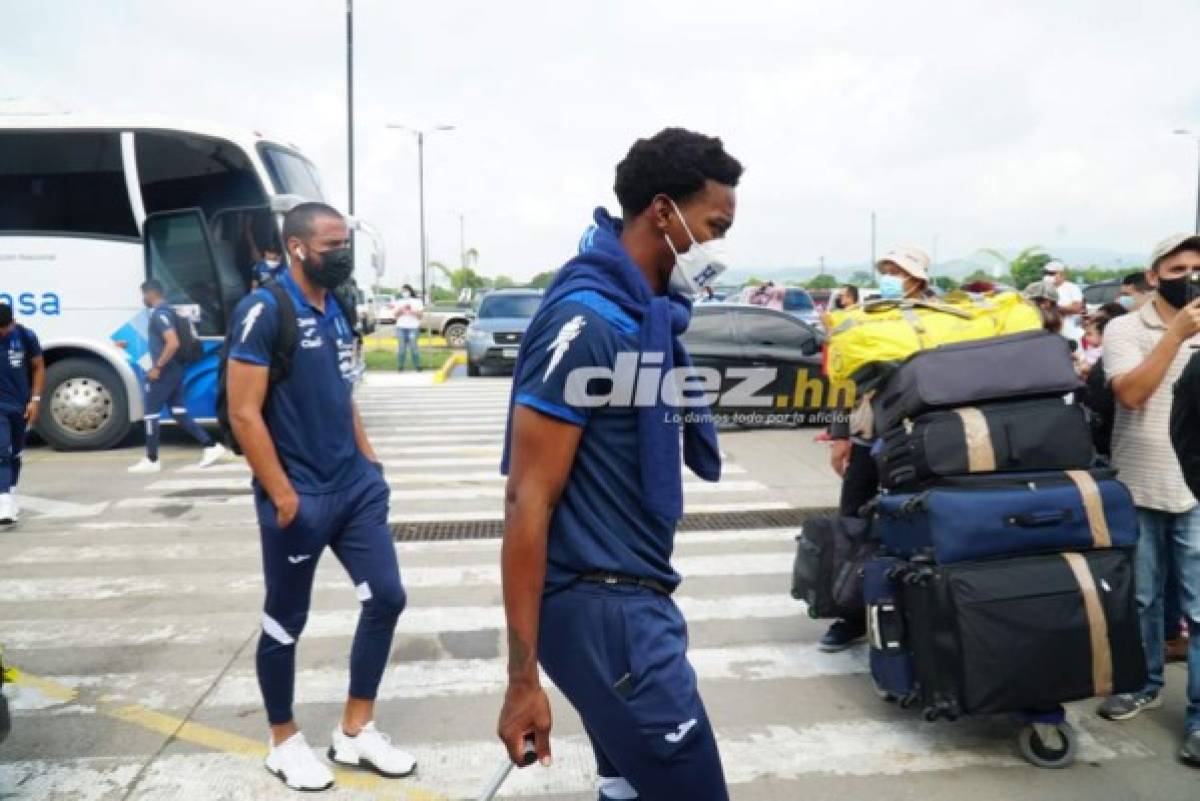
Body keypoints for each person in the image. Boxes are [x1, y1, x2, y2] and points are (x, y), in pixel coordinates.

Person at [496, 128, 739, 800]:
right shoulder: (589, 321)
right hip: (609, 615)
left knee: (627, 787)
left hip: (629, 600)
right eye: (714, 226)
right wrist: (521, 679)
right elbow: (526, 500)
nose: (717, 248)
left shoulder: (645, 318)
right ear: (663, 212)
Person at [226, 202, 415, 791]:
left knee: (387, 597)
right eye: (332, 245)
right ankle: (283, 740)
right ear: (299, 248)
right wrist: (283, 495)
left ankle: (355, 731)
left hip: (353, 489)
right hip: (300, 496)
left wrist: (370, 463)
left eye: (345, 243)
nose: (343, 254)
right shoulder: (264, 310)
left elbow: (344, 394)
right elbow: (243, 412)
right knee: (286, 622)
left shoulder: (336, 308)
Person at [1095, 233, 1200, 767]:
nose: (1190, 276)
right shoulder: (1124, 327)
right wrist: (1176, 336)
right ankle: (1145, 684)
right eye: (1178, 268)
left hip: (1196, 488)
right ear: (1155, 275)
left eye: (1198, 268)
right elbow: (1132, 393)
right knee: (1143, 599)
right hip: (1138, 482)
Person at [823, 245, 932, 652]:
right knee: (852, 522)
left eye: (895, 270)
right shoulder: (871, 316)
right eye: (884, 269)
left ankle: (916, 611)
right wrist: (839, 435)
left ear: (917, 278)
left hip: (923, 439)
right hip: (868, 437)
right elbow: (845, 377)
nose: (887, 275)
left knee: (917, 524)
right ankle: (849, 614)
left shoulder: (942, 319)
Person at [127, 281, 225, 474]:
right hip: (175, 370)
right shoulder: (170, 312)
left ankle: (152, 459)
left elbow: (173, 343)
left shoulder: (160, 315)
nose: (143, 299)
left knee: (151, 415)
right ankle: (211, 445)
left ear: (151, 293)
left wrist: (157, 367)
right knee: (178, 411)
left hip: (164, 372)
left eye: (144, 294)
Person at [0, 303, 43, 525]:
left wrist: (35, 400)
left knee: (16, 453)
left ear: (12, 323)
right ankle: (4, 501)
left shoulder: (26, 336)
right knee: (2, 451)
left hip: (21, 404)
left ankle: (12, 494)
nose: (2, 333)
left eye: (5, 329)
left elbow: (38, 367)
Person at [1043, 260, 1084, 341]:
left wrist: (1053, 308)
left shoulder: (1072, 288)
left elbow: (1076, 308)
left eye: (1052, 273)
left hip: (1070, 331)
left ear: (1062, 275)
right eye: (1047, 273)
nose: (1048, 276)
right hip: (1048, 331)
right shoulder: (1043, 288)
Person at [394, 284, 423, 372]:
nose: (404, 293)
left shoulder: (417, 301)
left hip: (413, 327)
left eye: (406, 291)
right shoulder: (399, 301)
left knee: (414, 346)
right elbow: (395, 315)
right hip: (401, 327)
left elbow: (420, 316)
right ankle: (400, 366)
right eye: (403, 291)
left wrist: (412, 311)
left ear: (410, 291)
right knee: (401, 347)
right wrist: (401, 310)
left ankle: (417, 365)